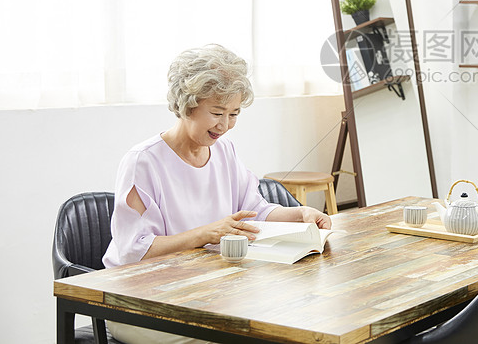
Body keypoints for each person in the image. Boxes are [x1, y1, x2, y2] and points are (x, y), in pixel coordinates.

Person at [102, 44, 331, 344]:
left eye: (234, 113)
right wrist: (205, 234)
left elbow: (255, 211)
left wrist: (298, 214)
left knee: (295, 316)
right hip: (140, 302)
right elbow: (135, 251)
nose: (225, 125)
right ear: (188, 105)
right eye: (217, 112)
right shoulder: (143, 162)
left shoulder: (224, 151)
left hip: (205, 293)